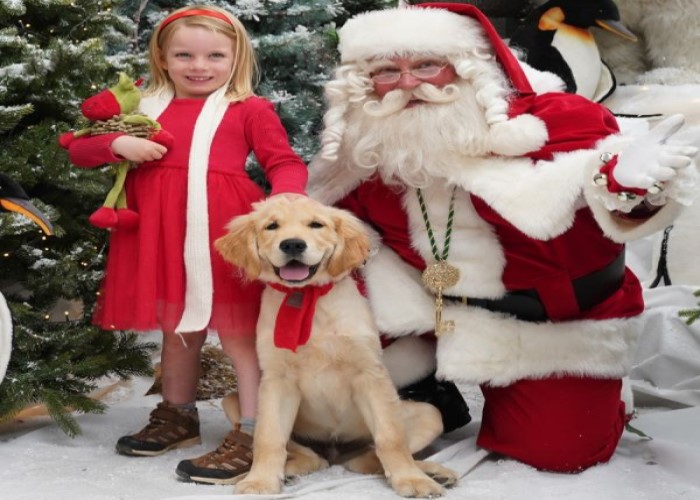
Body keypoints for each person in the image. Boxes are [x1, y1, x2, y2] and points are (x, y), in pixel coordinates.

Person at [309, 2, 700, 472]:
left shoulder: (559, 119)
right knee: (322, 282)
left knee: (555, 451)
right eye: (388, 71)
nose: (408, 84)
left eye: (427, 65)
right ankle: (425, 389)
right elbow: (327, 223)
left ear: (469, 67)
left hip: (550, 327)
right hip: (431, 310)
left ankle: (605, 398)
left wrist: (629, 185)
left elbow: (610, 183)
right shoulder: (366, 150)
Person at [64, 5, 307, 484]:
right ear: (162, 55)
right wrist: (117, 146)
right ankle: (178, 416)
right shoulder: (141, 105)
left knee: (239, 333)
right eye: (185, 55)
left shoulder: (248, 108)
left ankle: (258, 431)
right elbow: (77, 145)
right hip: (157, 233)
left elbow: (284, 162)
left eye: (215, 55)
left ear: (236, 58)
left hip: (222, 233)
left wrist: (286, 203)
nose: (200, 66)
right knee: (178, 326)